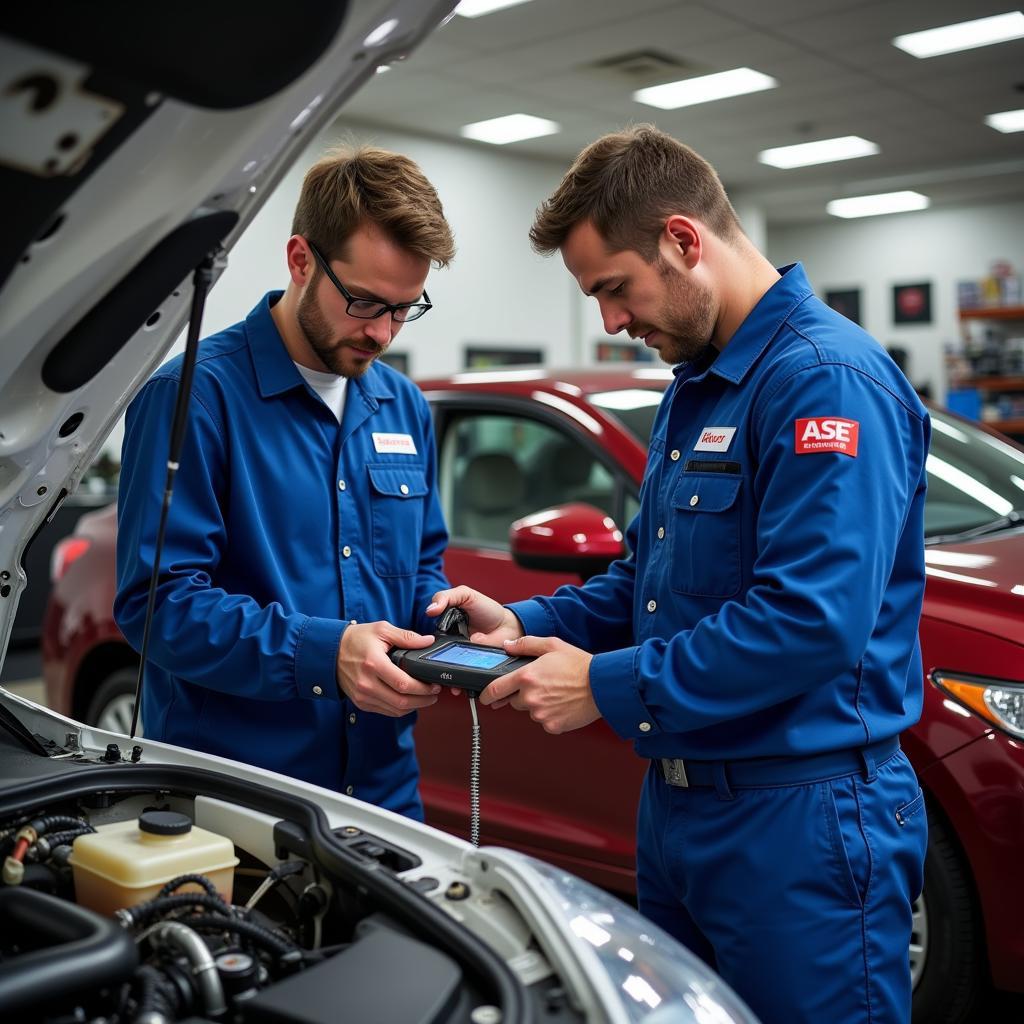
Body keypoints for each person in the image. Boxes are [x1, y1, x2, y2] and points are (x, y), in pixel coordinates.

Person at [428, 125, 929, 1024]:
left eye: (615, 289)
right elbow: (643, 586)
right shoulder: (697, 388)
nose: (613, 321)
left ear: (683, 241)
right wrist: (525, 621)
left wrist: (604, 686)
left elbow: (812, 621)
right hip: (679, 811)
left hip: (800, 821)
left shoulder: (825, 380)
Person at [115, 145, 455, 819]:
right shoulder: (193, 398)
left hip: (384, 796)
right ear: (301, 260)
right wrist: (325, 655)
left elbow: (417, 565)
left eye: (405, 309)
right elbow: (159, 607)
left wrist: (441, 614)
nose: (383, 332)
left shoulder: (402, 405)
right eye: (365, 302)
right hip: (240, 802)